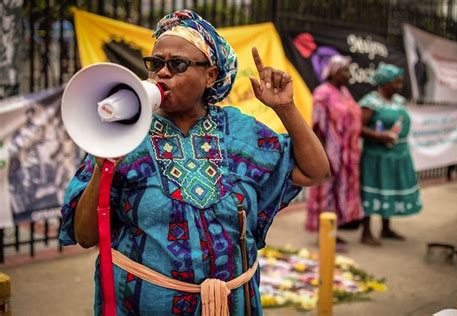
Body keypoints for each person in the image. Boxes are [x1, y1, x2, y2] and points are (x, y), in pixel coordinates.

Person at [59, 10, 329, 315]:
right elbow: (85, 236)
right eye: (156, 63)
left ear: (210, 75)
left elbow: (316, 172)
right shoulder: (122, 134)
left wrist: (287, 109)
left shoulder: (241, 132)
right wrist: (100, 167)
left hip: (230, 304)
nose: (162, 73)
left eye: (178, 64)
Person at [359, 63, 422, 246]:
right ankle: (366, 232)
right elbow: (358, 128)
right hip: (376, 156)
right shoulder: (370, 102)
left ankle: (386, 228)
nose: (399, 85)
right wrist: (379, 136)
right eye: (396, 81)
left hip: (397, 155)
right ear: (385, 82)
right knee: (372, 190)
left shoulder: (399, 101)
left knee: (389, 189)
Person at [306, 55, 364, 249]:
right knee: (326, 192)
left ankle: (334, 231)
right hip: (329, 152)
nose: (348, 75)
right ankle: (323, 235)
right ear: (333, 71)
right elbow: (316, 126)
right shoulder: (322, 94)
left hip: (347, 154)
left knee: (340, 192)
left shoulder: (344, 92)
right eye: (344, 71)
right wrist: (321, 155)